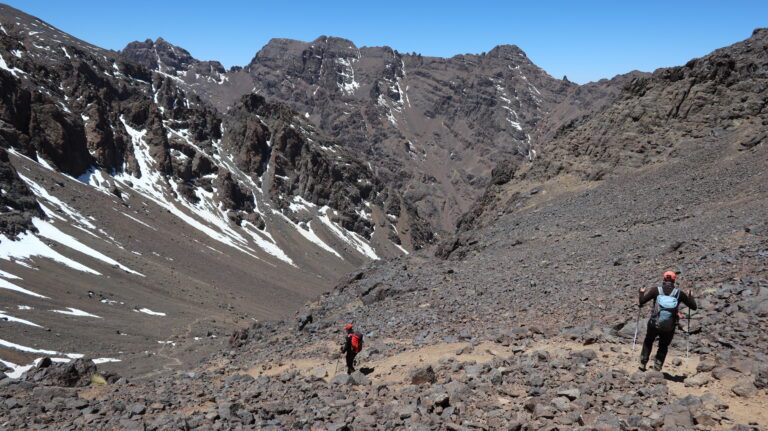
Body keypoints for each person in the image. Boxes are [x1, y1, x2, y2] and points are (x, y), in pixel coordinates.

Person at [638, 271, 697, 371]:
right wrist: (691, 296)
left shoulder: (655, 290)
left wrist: (641, 292)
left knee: (648, 341)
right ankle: (657, 367)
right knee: (663, 345)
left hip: (654, 323)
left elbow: (641, 301)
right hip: (669, 325)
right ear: (674, 280)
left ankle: (643, 363)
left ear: (664, 279)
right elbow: (693, 307)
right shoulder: (679, 293)